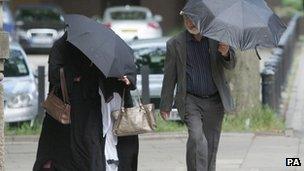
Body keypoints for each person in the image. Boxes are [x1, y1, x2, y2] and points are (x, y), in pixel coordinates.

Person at [160, 14, 236, 171]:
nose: (190, 23)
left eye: (194, 19)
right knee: (196, 138)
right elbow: (170, 76)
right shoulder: (175, 43)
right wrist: (165, 105)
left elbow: (231, 65)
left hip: (215, 101)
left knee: (211, 144)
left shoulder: (218, 38)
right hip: (190, 100)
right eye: (187, 19)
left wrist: (226, 53)